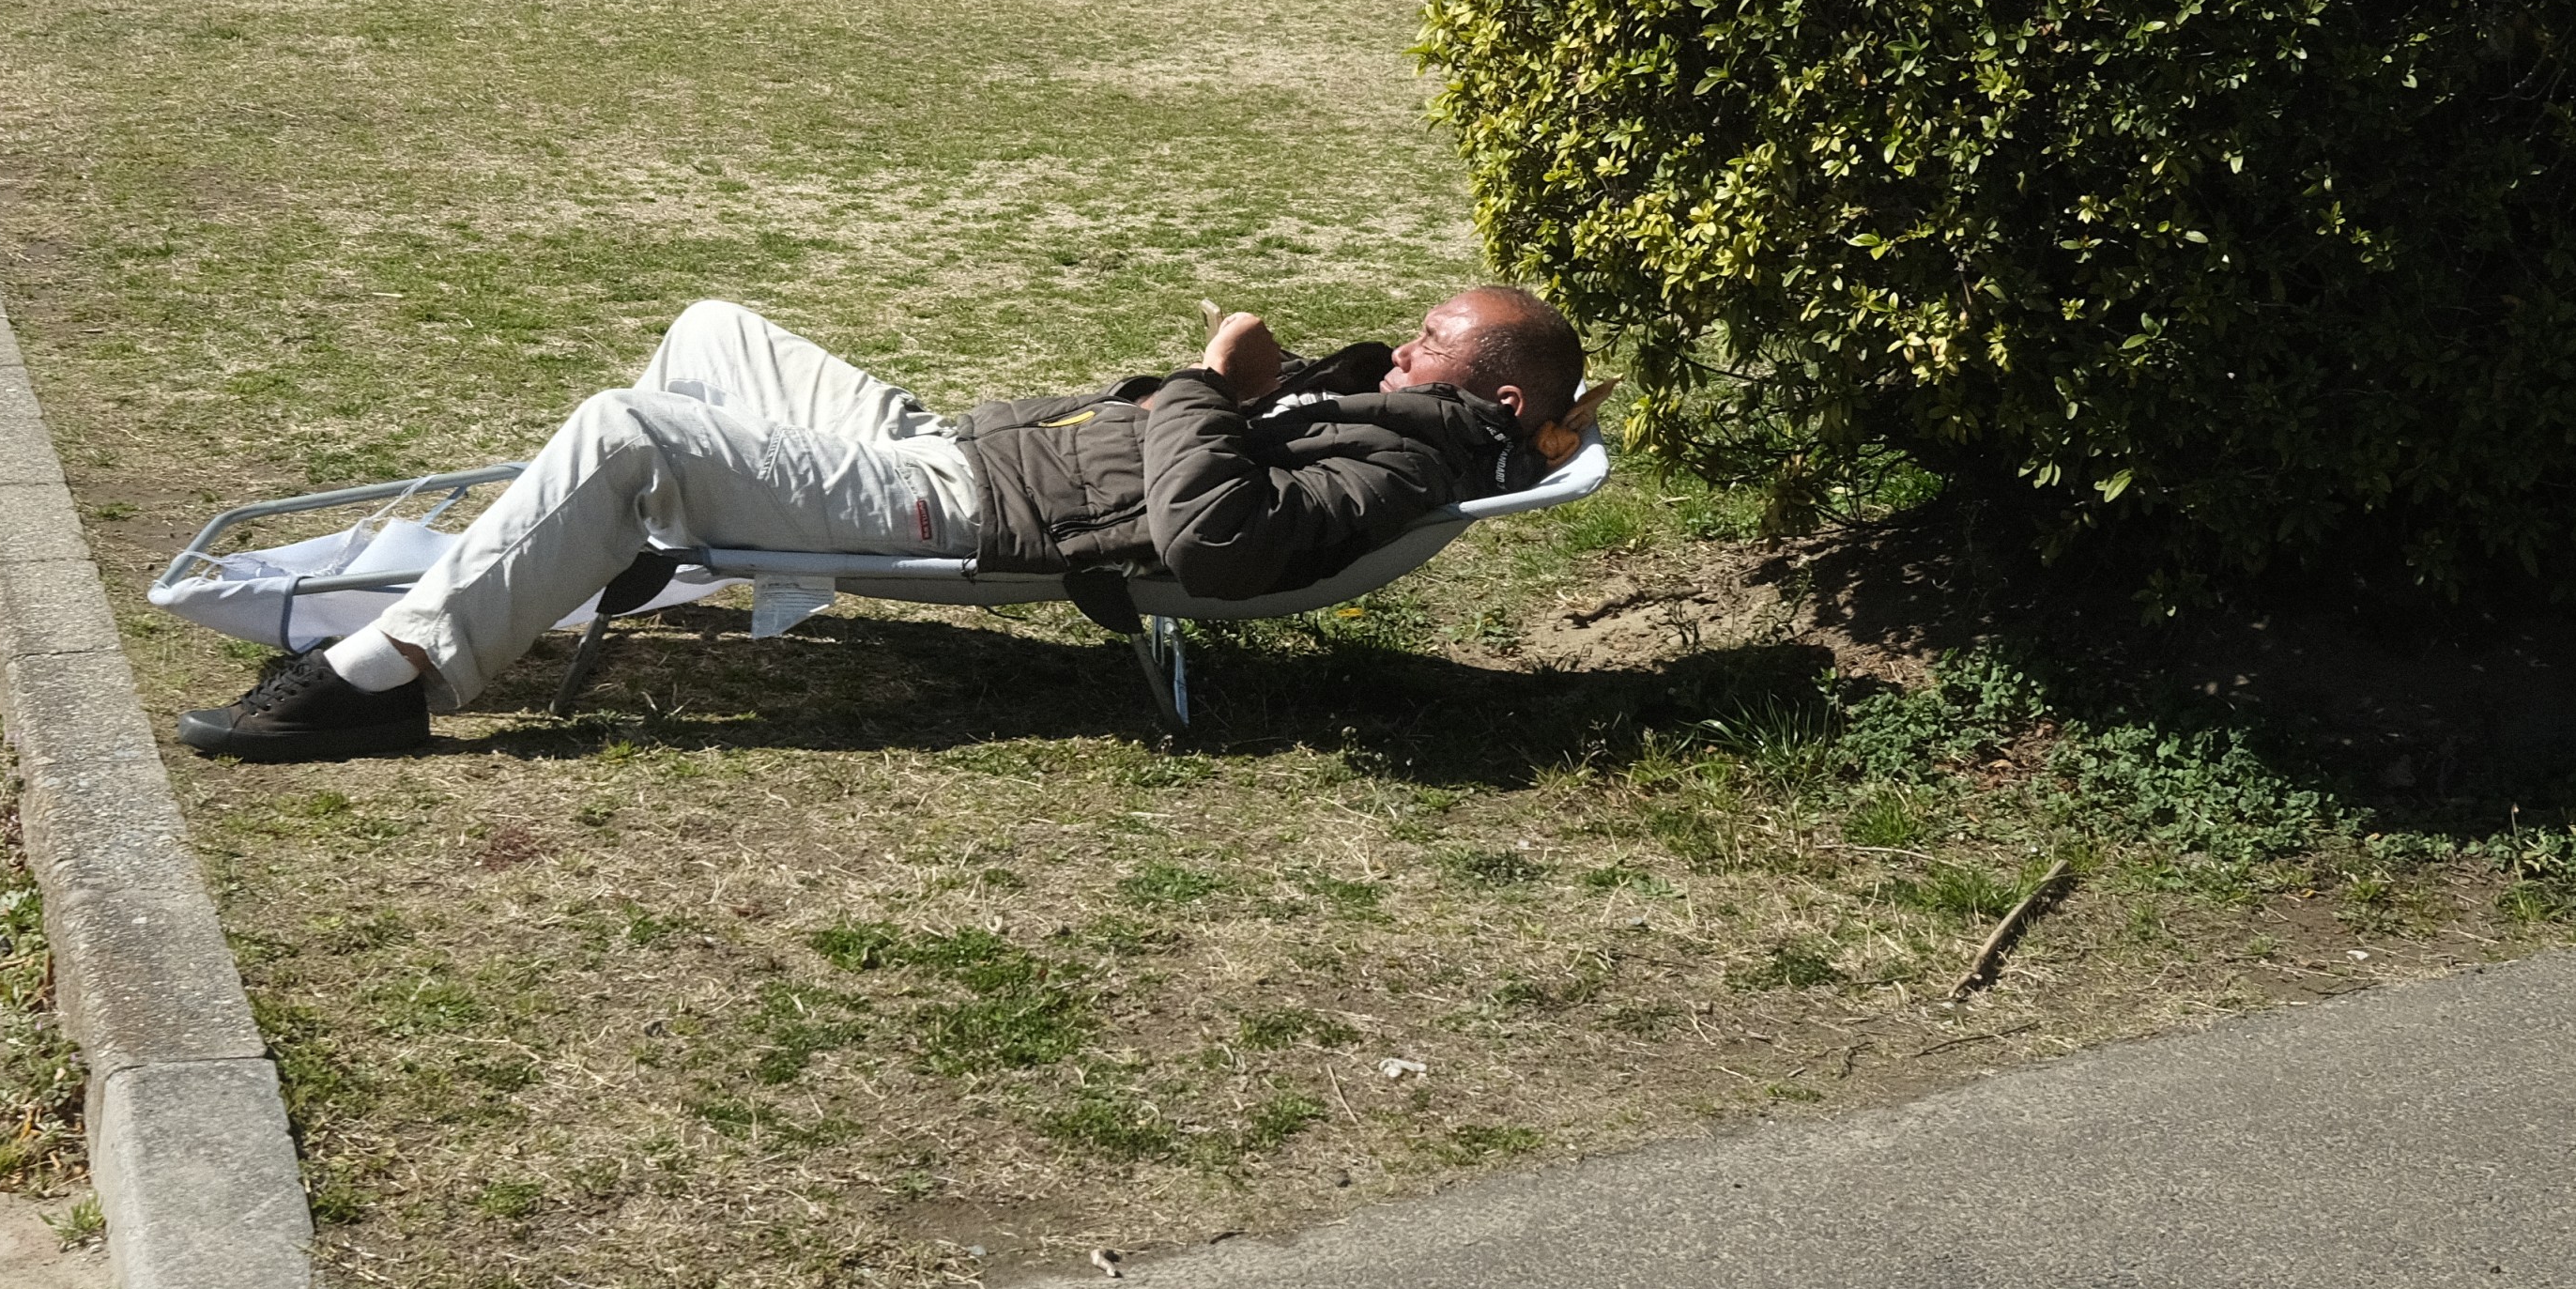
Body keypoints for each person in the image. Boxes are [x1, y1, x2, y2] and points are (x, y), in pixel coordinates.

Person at [175, 288, 1590, 762]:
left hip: (964, 513)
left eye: (1426, 341)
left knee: (629, 426)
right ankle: (636, 548)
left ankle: (392, 678)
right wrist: (1224, 396)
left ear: (1497, 387)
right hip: (950, 452)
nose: (1403, 346)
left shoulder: (1406, 472)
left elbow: (1219, 543)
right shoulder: (1395, 419)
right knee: (710, 329)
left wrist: (1205, 390)